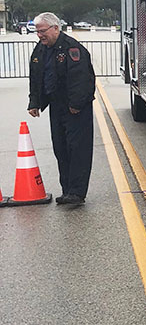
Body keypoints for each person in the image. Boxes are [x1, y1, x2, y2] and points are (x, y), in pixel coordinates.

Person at [27, 12, 96, 207]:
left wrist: (76, 104)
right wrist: (35, 102)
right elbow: (36, 77)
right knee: (61, 148)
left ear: (55, 28)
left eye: (42, 31)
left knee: (78, 150)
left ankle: (77, 192)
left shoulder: (72, 48)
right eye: (37, 31)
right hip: (56, 106)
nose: (39, 35)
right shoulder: (40, 50)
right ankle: (67, 190)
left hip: (75, 107)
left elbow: (82, 79)